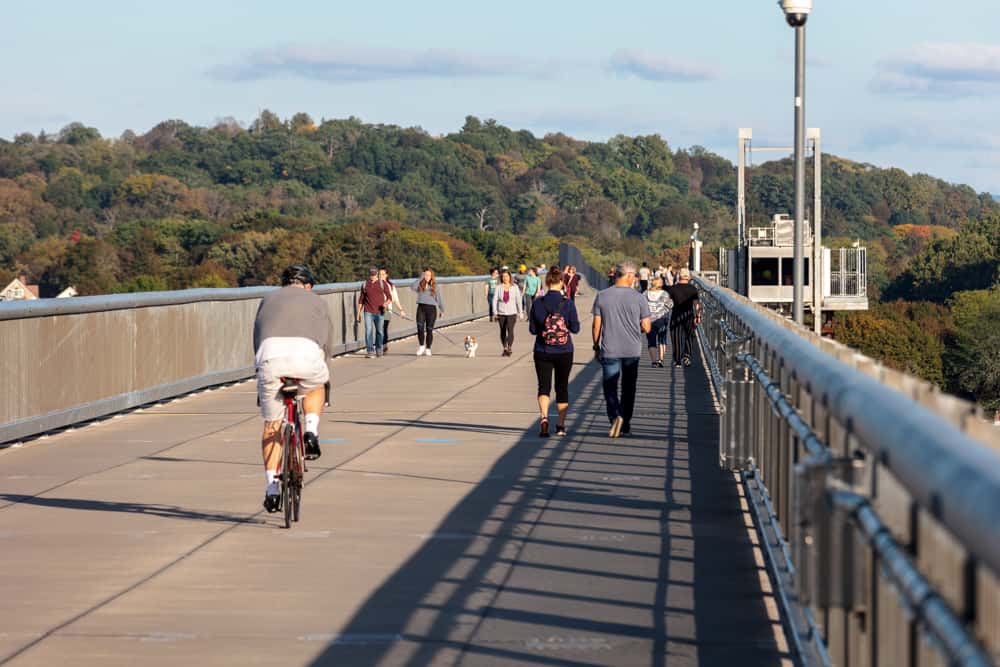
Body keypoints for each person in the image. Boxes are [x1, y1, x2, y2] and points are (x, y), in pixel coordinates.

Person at [253, 264, 330, 513]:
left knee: (272, 425)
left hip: (270, 358)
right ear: (308, 286)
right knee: (315, 386)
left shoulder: (267, 299)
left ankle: (272, 487)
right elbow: (326, 343)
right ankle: (310, 431)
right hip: (306, 356)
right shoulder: (316, 301)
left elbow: (258, 339)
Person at [592, 261, 651, 438]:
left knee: (610, 386)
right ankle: (625, 422)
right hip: (632, 349)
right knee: (629, 387)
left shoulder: (602, 296)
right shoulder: (639, 297)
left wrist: (596, 346)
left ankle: (615, 415)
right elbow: (647, 327)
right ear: (630, 276)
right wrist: (636, 327)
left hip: (610, 348)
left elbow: (596, 326)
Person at [529, 266, 580, 438]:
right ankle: (560, 424)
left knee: (543, 386)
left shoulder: (538, 303)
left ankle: (544, 418)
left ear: (547, 282)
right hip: (564, 350)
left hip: (542, 350)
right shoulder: (568, 303)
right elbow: (576, 328)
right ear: (562, 282)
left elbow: (533, 330)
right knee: (562, 387)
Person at [665, 268, 701, 368]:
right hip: (689, 315)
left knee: (676, 337)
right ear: (689, 277)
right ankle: (687, 356)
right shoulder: (693, 289)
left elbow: (667, 303)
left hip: (676, 315)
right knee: (690, 335)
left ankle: (677, 360)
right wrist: (698, 316)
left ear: (678, 276)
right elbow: (697, 304)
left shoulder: (673, 288)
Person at [357, 266, 392, 358]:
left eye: (374, 275)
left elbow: (389, 298)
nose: (372, 276)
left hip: (379, 312)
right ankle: (370, 351)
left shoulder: (382, 283)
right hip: (368, 311)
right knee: (368, 331)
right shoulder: (365, 284)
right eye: (371, 275)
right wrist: (358, 314)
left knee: (380, 332)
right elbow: (361, 300)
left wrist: (385, 304)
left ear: (377, 274)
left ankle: (379, 349)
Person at [412, 267, 445, 356]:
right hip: (421, 308)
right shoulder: (420, 285)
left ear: (431, 276)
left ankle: (428, 348)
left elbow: (439, 298)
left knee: (429, 330)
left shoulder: (435, 286)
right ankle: (421, 346)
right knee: (420, 328)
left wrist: (442, 309)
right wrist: (420, 277)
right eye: (425, 275)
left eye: (428, 275)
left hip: (431, 309)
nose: (427, 277)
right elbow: (412, 287)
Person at [492, 269, 524, 356]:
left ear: (510, 277)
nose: (505, 278)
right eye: (503, 276)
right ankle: (505, 347)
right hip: (501, 312)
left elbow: (518, 300)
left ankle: (509, 347)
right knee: (502, 331)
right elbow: (494, 300)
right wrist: (495, 312)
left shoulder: (515, 287)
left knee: (510, 330)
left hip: (512, 312)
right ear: (501, 278)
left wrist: (520, 312)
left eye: (506, 276)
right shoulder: (498, 287)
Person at [644, 276, 672, 367]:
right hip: (661, 319)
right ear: (660, 284)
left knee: (651, 341)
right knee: (662, 340)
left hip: (649, 320)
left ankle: (653, 362)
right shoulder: (664, 294)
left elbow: (641, 305)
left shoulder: (645, 293)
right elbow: (670, 305)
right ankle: (660, 360)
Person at [378, 267, 406, 355]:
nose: (381, 276)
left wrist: (401, 310)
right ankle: (379, 346)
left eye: (383, 274)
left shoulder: (391, 286)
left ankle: (384, 345)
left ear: (386, 275)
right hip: (377, 310)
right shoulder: (375, 284)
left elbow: (395, 300)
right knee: (378, 329)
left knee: (383, 328)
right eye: (379, 274)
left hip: (387, 310)